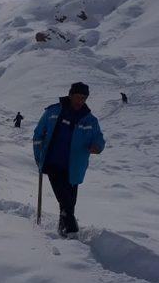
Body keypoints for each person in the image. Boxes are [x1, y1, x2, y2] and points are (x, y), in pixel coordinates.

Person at [33, 81, 105, 236]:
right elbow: (38, 134)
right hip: (53, 163)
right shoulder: (53, 112)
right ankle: (71, 232)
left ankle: (62, 230)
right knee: (66, 202)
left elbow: (99, 138)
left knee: (69, 203)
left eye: (84, 98)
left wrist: (97, 146)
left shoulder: (90, 120)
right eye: (78, 97)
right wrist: (39, 156)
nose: (80, 101)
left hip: (74, 168)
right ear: (70, 95)